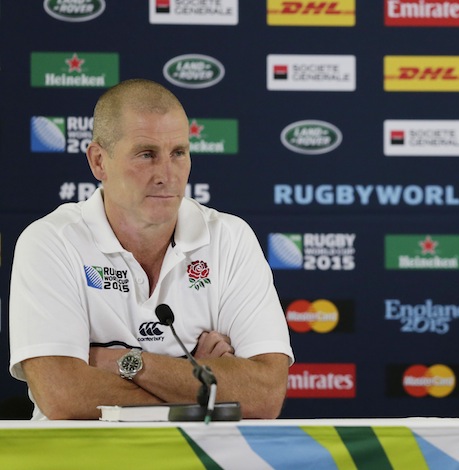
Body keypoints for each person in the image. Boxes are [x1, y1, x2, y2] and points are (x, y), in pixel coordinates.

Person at [9, 78, 294, 420]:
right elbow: (64, 396)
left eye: (178, 153)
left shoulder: (230, 239)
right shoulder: (50, 242)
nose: (166, 174)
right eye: (146, 155)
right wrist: (201, 381)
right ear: (99, 161)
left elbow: (264, 395)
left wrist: (126, 363)